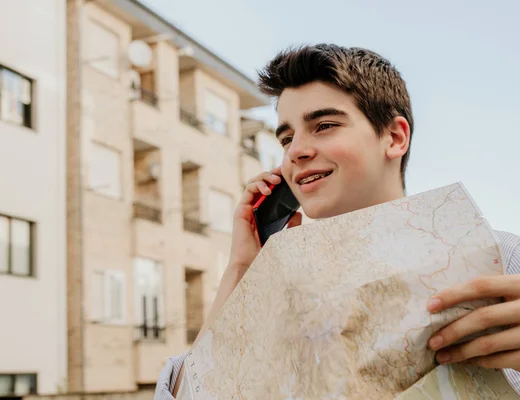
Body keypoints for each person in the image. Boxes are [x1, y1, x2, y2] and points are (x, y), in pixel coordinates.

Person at [154, 44, 520, 399]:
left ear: (394, 137)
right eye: (286, 137)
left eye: (324, 125)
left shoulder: (503, 259)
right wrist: (241, 270)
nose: (296, 150)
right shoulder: (278, 296)